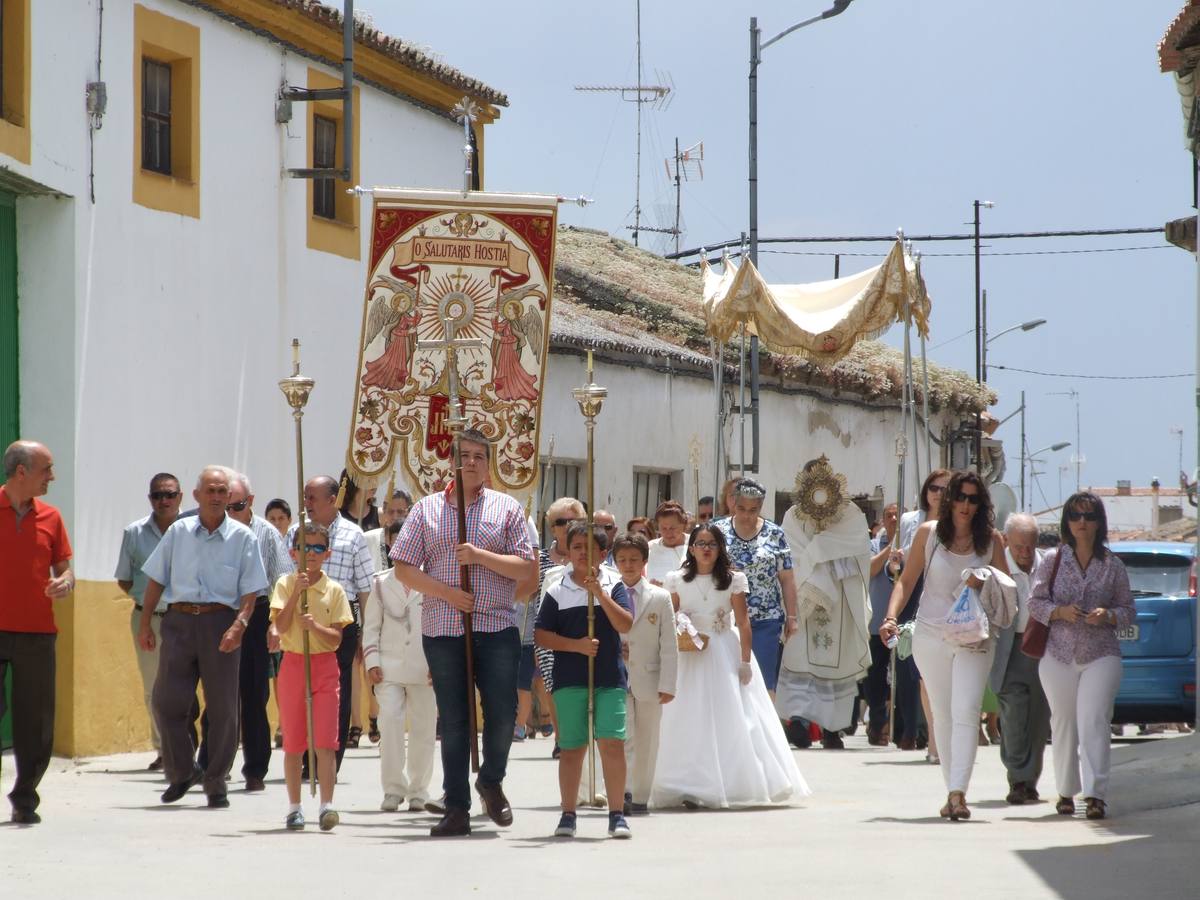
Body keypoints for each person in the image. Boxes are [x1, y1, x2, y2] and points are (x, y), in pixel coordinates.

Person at [392, 428, 537, 837]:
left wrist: (478, 556)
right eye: (464, 455)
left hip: (495, 624)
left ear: (489, 464)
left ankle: (491, 778)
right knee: (453, 720)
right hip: (443, 626)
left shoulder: (507, 509)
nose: (471, 462)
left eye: (479, 456)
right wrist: (447, 593)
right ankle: (455, 805)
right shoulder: (426, 510)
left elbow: (524, 567)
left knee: (503, 712)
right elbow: (404, 567)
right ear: (451, 461)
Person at [652, 524, 809, 809]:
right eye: (700, 543)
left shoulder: (733, 579)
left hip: (722, 648)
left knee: (728, 714)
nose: (706, 549)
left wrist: (745, 660)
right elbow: (670, 614)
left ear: (720, 548)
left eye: (712, 543)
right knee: (685, 715)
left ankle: (729, 779)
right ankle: (684, 781)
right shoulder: (676, 579)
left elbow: (743, 621)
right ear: (691, 548)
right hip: (688, 651)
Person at [880, 470, 1007, 821]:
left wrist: (985, 583)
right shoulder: (929, 535)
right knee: (942, 713)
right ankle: (952, 789)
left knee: (966, 710)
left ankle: (958, 792)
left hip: (974, 636)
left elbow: (1007, 589)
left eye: (974, 499)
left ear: (981, 504)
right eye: (961, 497)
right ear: (950, 499)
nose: (966, 505)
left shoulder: (991, 541)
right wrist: (890, 617)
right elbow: (906, 582)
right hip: (931, 634)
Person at [139, 466, 268, 809]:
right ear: (195, 496)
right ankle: (183, 771)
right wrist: (144, 623)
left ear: (230, 497)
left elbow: (251, 591)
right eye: (209, 490)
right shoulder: (178, 532)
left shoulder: (244, 538)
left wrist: (239, 625)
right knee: (167, 703)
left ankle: (215, 780)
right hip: (179, 622)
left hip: (221, 623)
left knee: (224, 708)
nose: (215, 496)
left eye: (222, 491)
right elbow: (156, 579)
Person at [1027, 492, 1134, 821]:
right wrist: (1059, 611)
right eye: (1075, 515)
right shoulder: (1052, 560)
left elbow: (1129, 611)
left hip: (1100, 652)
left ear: (1099, 522)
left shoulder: (1112, 565)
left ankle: (1095, 794)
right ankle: (1065, 791)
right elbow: (1034, 602)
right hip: (1057, 653)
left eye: (1088, 516)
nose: (1082, 522)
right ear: (1067, 521)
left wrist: (1109, 615)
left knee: (1094, 719)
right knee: (1063, 721)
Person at [535, 522, 634, 839]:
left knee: (611, 742)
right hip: (570, 678)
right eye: (576, 547)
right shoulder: (557, 588)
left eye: (590, 548)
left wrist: (600, 595)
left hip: (608, 677)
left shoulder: (615, 584)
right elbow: (541, 634)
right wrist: (575, 645)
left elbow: (625, 623)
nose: (582, 553)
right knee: (572, 747)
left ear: (603, 554)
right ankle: (568, 813)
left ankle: (617, 814)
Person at [0, 441, 74, 825]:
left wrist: (65, 582)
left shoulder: (52, 517)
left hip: (37, 632)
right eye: (47, 469)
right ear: (21, 472)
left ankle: (25, 796)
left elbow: (66, 569)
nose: (53, 477)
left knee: (36, 722)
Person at [777, 461, 872, 750]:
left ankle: (834, 729)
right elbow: (789, 551)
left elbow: (859, 548)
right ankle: (800, 721)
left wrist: (824, 548)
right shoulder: (794, 514)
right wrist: (817, 560)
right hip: (805, 597)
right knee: (801, 663)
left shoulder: (850, 513)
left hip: (840, 598)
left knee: (837, 665)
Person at [285, 476, 375, 771]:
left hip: (339, 618)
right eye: (305, 497)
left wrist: (367, 632)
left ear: (333, 499)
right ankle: (304, 753)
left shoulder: (353, 535)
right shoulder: (296, 533)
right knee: (302, 688)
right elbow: (286, 579)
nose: (307, 504)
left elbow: (364, 588)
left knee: (336, 689)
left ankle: (328, 759)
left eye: (313, 497)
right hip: (303, 616)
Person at [271, 521, 354, 831]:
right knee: (293, 741)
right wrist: (296, 593)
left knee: (325, 740)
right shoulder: (285, 583)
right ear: (294, 552)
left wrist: (314, 627)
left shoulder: (334, 590)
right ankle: (294, 807)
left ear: (328, 553)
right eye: (305, 548)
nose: (312, 553)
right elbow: (279, 625)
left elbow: (335, 639)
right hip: (293, 664)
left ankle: (327, 805)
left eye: (318, 548)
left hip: (324, 666)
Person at [223, 472, 292, 792]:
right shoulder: (210, 527)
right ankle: (213, 763)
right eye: (226, 505)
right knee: (218, 692)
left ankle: (255, 768)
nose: (230, 512)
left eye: (236, 505)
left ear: (249, 502)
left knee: (253, 694)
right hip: (220, 611)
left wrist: (276, 624)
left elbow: (282, 581)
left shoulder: (266, 534)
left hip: (258, 612)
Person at [365, 518, 436, 813]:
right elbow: (371, 627)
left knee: (424, 728)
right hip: (389, 666)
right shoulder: (381, 582)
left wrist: (440, 663)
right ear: (391, 544)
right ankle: (393, 789)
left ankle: (419, 790)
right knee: (390, 723)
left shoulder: (434, 580)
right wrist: (372, 660)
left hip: (426, 667)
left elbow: (441, 625)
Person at [115, 472, 183, 771]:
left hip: (187, 618)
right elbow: (125, 580)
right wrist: (149, 604)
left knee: (189, 685)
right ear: (150, 499)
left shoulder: (192, 530)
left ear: (180, 496)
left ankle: (190, 747)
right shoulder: (134, 533)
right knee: (153, 687)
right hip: (149, 619)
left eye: (169, 494)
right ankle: (164, 749)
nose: (163, 500)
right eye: (157, 495)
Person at [713, 478, 797, 697]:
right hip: (726, 618)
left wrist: (792, 617)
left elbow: (787, 578)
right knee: (728, 680)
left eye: (753, 509)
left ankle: (763, 728)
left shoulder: (775, 533)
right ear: (733, 503)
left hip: (765, 618)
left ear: (760, 507)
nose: (747, 515)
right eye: (742, 508)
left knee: (763, 680)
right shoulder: (716, 531)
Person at [612, 531, 676, 816]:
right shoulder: (607, 593)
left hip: (649, 677)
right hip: (616, 674)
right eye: (622, 559)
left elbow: (669, 645)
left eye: (634, 560)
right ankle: (622, 791)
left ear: (644, 561)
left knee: (648, 737)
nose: (628, 565)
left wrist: (668, 683)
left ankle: (640, 795)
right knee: (623, 735)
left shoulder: (660, 597)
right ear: (614, 561)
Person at [988, 513, 1051, 805]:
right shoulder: (996, 566)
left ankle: (1030, 780)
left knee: (1038, 719)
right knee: (1013, 715)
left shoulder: (1048, 566)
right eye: (1018, 546)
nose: (1025, 552)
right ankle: (1017, 779)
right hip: (1009, 649)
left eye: (1029, 546)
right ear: (1007, 541)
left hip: (1041, 649)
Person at [895, 468, 952, 756]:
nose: (938, 493)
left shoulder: (960, 522)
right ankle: (928, 736)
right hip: (916, 591)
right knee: (918, 672)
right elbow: (904, 563)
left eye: (944, 488)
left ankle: (941, 736)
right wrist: (897, 561)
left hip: (947, 598)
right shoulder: (910, 521)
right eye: (934, 487)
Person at [863, 504, 899, 745]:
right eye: (889, 515)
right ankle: (877, 726)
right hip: (877, 624)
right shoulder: (873, 545)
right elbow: (869, 569)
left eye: (898, 515)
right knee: (875, 680)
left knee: (899, 678)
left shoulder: (913, 544)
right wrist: (889, 549)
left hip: (901, 623)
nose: (894, 518)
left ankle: (902, 727)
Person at [646, 500, 689, 586]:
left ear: (684, 525)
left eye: (673, 528)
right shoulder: (649, 548)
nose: (668, 533)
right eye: (663, 528)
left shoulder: (695, 544)